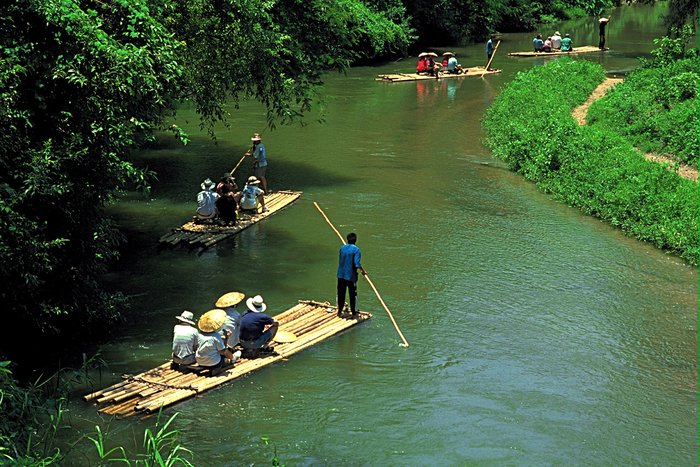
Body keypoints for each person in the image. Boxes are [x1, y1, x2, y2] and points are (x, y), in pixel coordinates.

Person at [337, 232, 367, 318]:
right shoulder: (356, 250)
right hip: (350, 276)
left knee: (341, 293)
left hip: (340, 275)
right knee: (352, 294)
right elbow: (356, 263)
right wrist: (363, 271)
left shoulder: (342, 248)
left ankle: (339, 311)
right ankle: (354, 313)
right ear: (356, 240)